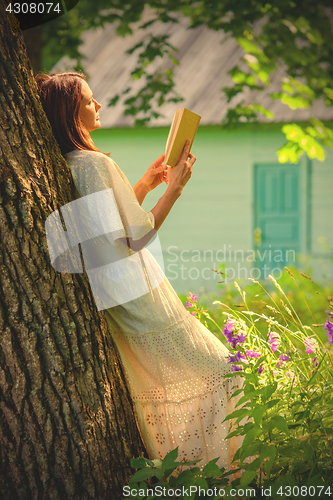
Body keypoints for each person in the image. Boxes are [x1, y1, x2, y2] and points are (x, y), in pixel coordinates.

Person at [36, 72, 241, 470]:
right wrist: (174, 189)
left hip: (115, 295)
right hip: (140, 294)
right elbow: (133, 237)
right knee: (223, 370)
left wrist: (145, 184)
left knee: (162, 385)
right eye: (90, 100)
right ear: (69, 110)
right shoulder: (94, 163)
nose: (98, 106)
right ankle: (216, 472)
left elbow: (105, 229)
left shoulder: (69, 164)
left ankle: (190, 470)